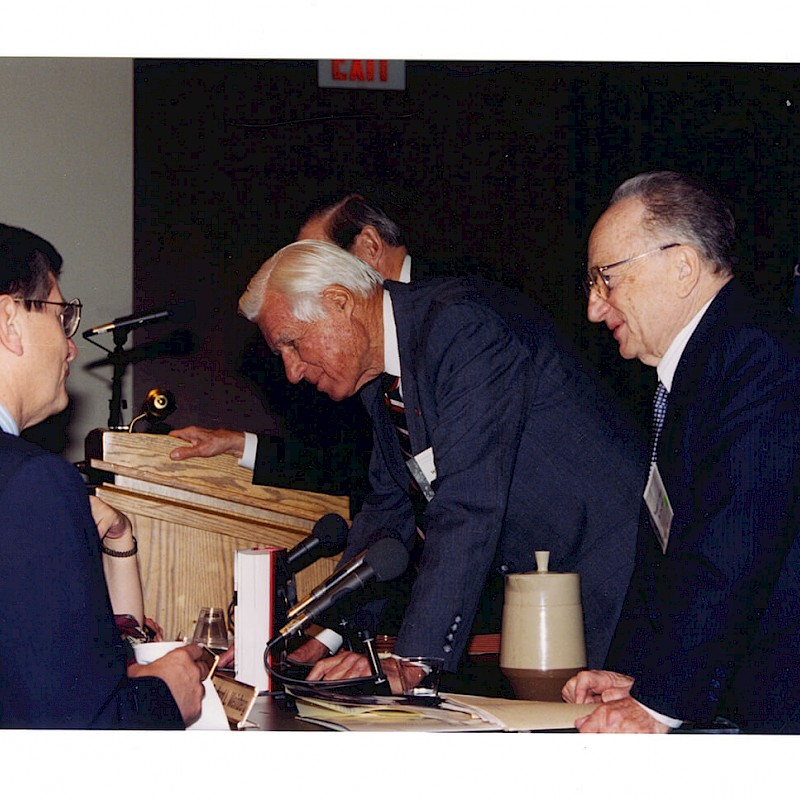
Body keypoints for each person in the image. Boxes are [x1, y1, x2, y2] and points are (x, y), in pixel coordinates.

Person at [227, 237, 643, 693]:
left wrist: (413, 660)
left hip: (624, 575)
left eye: (292, 344)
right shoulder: (382, 380)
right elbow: (388, 511)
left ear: (339, 302)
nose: (292, 372)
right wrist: (318, 637)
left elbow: (468, 502)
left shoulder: (461, 326)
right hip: (555, 588)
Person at [563, 170, 800, 733]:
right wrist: (636, 679)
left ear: (683, 267)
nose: (595, 308)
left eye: (606, 279)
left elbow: (733, 546)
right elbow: (671, 554)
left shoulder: (758, 357)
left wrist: (659, 704)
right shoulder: (705, 366)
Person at [0, 222, 207, 729]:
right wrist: (166, 696)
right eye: (62, 317)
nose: (71, 348)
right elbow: (72, 734)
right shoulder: (34, 482)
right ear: (9, 321)